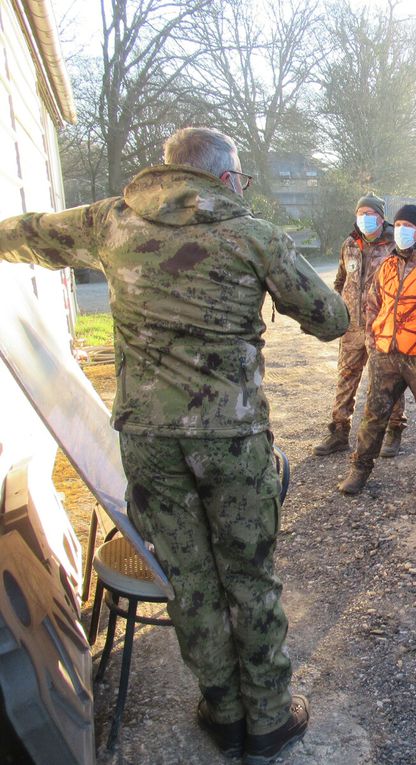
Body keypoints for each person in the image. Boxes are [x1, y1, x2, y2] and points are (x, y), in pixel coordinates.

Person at [0, 127, 350, 761]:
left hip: (151, 441)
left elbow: (29, 235)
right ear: (222, 177)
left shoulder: (110, 220)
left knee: (189, 576)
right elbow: (332, 321)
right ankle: (268, 717)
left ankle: (221, 711)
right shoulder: (255, 235)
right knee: (248, 574)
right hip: (233, 440)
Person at [339, 204, 416, 496]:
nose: (401, 231)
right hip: (386, 355)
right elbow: (373, 305)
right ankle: (359, 469)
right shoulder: (387, 265)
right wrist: (373, 342)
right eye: (397, 226)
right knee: (373, 414)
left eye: (408, 226)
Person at [314, 195, 407, 458]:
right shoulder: (350, 244)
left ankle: (394, 430)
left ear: (380, 217)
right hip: (352, 327)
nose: (364, 217)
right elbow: (341, 279)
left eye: (369, 213)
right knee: (346, 378)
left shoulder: (394, 245)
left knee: (388, 381)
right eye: (360, 212)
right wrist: (338, 310)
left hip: (383, 328)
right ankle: (339, 432)